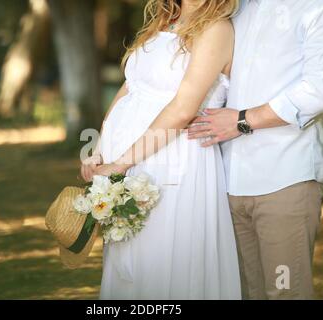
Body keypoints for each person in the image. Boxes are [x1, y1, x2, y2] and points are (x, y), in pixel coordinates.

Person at [188, 0, 323, 299]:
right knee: (244, 293)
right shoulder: (235, 7)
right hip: (225, 180)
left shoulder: (322, 6)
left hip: (285, 179)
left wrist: (242, 120)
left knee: (285, 292)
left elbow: (315, 93)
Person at [81, 0, 242, 299]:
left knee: (161, 259)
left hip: (173, 160)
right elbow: (130, 88)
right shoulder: (164, 21)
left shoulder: (216, 28)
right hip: (129, 160)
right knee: (129, 261)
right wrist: (101, 152)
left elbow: (183, 110)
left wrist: (121, 163)